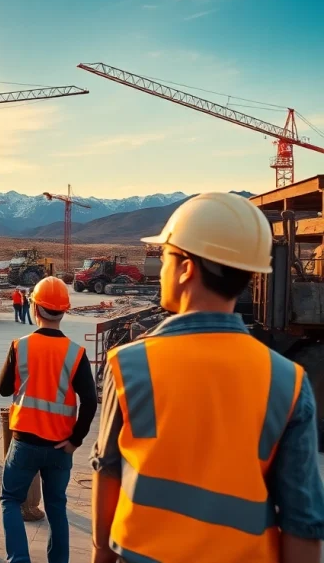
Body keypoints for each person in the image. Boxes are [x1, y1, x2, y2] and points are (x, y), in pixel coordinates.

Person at [90, 192, 324, 563]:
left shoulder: (130, 365)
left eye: (164, 256)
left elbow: (108, 472)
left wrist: (101, 552)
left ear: (185, 268)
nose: (161, 268)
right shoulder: (288, 381)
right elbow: (303, 521)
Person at [0, 276, 97, 563]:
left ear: (35, 308)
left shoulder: (20, 346)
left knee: (10, 501)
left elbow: (4, 389)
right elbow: (90, 401)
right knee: (57, 507)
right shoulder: (76, 353)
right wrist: (75, 440)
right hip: (59, 447)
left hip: (25, 443)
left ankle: (19, 559)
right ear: (63, 311)